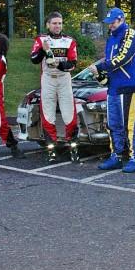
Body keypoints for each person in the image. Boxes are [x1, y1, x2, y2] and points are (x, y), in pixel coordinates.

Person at [89, 8, 135, 172]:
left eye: (113, 22)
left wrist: (100, 66)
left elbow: (122, 57)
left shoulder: (130, 34)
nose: (110, 25)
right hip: (113, 87)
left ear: (121, 20)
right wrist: (99, 73)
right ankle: (116, 156)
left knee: (130, 124)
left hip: (128, 86)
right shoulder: (111, 37)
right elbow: (109, 60)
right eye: (109, 22)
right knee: (113, 124)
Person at [30, 12, 79, 162]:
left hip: (64, 79)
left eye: (59, 23)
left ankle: (73, 148)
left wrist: (59, 64)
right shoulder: (41, 39)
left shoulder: (69, 41)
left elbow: (73, 64)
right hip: (48, 79)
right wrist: (42, 50)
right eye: (54, 23)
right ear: (48, 25)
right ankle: (51, 149)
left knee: (69, 114)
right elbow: (34, 59)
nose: (57, 26)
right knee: (48, 114)